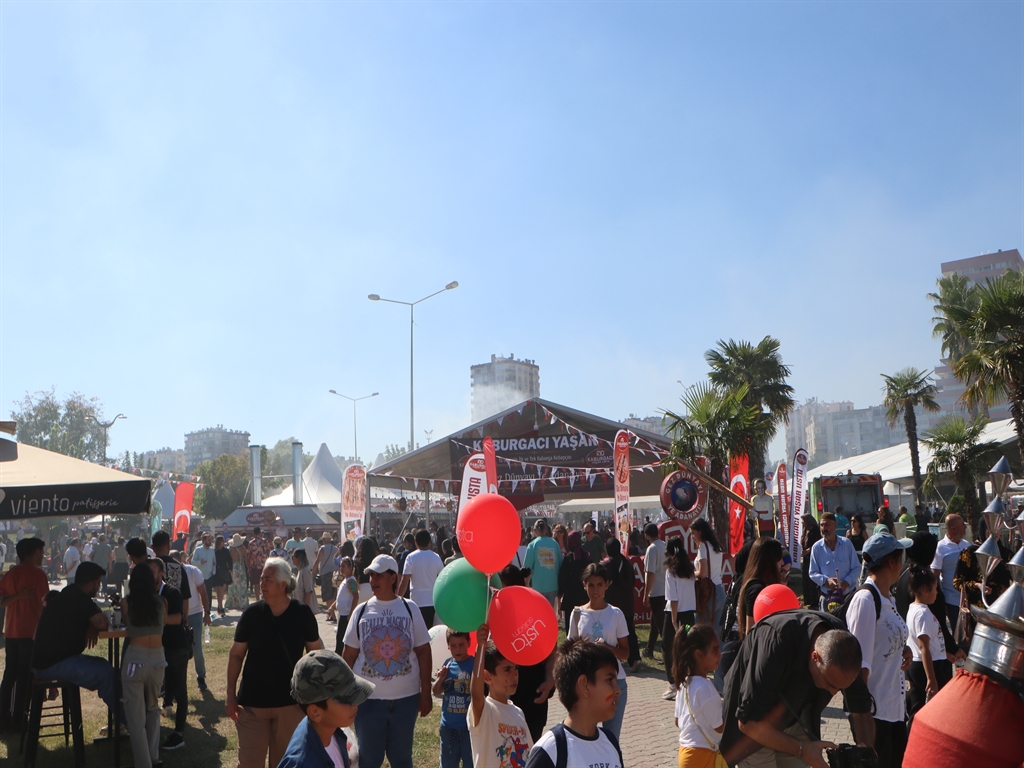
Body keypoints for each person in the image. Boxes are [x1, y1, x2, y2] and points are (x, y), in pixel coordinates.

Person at [720, 612, 872, 768]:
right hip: (756, 722)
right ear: (815, 657)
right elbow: (747, 723)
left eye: (841, 689)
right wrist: (802, 749)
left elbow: (861, 709)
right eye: (829, 683)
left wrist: (865, 754)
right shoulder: (775, 640)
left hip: (793, 713)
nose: (834, 692)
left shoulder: (844, 649)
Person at [226, 556, 323, 768]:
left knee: (285, 764)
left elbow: (316, 655)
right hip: (252, 707)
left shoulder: (301, 613)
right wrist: (230, 694)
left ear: (282, 585)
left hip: (290, 706)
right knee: (249, 764)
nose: (261, 584)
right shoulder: (251, 614)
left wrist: (314, 695)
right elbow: (236, 655)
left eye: (267, 580)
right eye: (261, 579)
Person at [341, 554, 432, 768]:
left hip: (406, 700)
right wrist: (344, 695)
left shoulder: (411, 609)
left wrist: (426, 692)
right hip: (368, 702)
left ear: (393, 578)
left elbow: (424, 651)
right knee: (369, 761)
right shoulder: (361, 611)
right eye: (371, 575)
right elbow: (349, 656)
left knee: (401, 759)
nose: (373, 580)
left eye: (378, 575)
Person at [847, 531, 913, 768]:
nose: (904, 564)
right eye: (901, 557)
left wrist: (903, 650)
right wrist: (862, 722)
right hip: (875, 715)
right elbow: (859, 664)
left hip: (894, 709)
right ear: (892, 562)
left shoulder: (889, 599)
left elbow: (884, 642)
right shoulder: (865, 600)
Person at [31, 562, 118, 720]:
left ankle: (123, 721)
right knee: (106, 674)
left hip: (50, 661)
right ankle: (129, 722)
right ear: (89, 584)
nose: (99, 587)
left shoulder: (70, 592)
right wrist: (93, 624)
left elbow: (92, 620)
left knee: (105, 667)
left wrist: (91, 626)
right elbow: (103, 623)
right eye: (98, 583)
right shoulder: (79, 598)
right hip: (52, 664)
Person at [525, 639, 624, 768]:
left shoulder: (610, 741)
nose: (618, 691)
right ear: (584, 685)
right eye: (609, 680)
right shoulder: (551, 749)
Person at [566, 563, 629, 739]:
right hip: (588, 686)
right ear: (584, 584)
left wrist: (607, 648)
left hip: (615, 683)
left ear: (607, 585)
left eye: (600, 584)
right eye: (591, 585)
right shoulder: (577, 613)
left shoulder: (616, 614)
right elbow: (569, 650)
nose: (595, 590)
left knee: (611, 738)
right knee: (586, 737)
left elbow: (625, 653)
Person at [278, 650, 372, 768]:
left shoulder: (330, 731)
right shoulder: (303, 763)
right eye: (345, 699)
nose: (355, 704)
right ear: (315, 712)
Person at [498, 565, 555, 744]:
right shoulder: (495, 613)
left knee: (530, 748)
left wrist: (549, 680)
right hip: (504, 698)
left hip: (533, 696)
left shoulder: (537, 609)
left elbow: (553, 651)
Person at [119, 561, 167, 768]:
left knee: (135, 718)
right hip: (157, 658)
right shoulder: (161, 602)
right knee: (153, 709)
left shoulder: (126, 603)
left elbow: (126, 625)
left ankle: (144, 763)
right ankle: (154, 756)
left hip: (135, 658)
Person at [0, 537, 48, 734]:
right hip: (30, 632)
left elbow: (2, 601)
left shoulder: (11, 574)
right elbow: (45, 606)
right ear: (35, 552)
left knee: (10, 675)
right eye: (42, 552)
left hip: (11, 632)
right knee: (24, 677)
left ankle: (3, 719)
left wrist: (16, 597)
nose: (43, 555)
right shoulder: (38, 575)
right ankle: (19, 720)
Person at [467, 623, 533, 768]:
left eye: (516, 668)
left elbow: (529, 754)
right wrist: (480, 648)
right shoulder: (485, 710)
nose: (514, 675)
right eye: (507, 669)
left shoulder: (518, 712)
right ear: (487, 677)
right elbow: (476, 695)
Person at [147, 556, 189, 751]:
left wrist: (156, 619)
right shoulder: (146, 593)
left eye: (152, 572)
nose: (148, 576)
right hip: (158, 648)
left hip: (176, 647)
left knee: (179, 688)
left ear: (161, 573)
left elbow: (177, 618)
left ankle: (179, 733)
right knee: (163, 687)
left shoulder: (172, 592)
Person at [904, 566, 953, 720]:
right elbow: (923, 647)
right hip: (927, 667)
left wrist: (945, 654)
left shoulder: (914, 609)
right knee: (927, 709)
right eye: (935, 589)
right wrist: (931, 678)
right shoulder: (922, 614)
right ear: (925, 590)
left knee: (918, 706)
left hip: (923, 663)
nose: (937, 593)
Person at [673, 624, 723, 768]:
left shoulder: (684, 683)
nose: (720, 654)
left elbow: (678, 721)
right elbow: (719, 727)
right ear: (699, 654)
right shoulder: (705, 687)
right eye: (715, 650)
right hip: (701, 755)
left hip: (685, 752)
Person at [432, 629, 474, 768]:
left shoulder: (474, 664)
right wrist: (440, 679)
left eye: (461, 644)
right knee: (448, 763)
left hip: (469, 728)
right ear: (448, 645)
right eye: (453, 645)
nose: (457, 649)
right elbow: (436, 691)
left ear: (469, 642)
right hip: (448, 727)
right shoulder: (448, 664)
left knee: (471, 763)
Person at [663, 536, 697, 701]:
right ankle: (687, 680)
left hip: (674, 614)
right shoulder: (689, 569)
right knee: (687, 646)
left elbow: (673, 599)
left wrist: (674, 621)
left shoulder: (671, 571)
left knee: (668, 646)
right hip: (689, 615)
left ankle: (673, 683)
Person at [602, 537, 641, 672]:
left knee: (611, 632)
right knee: (630, 631)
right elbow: (633, 582)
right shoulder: (627, 563)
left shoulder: (606, 565)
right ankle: (635, 659)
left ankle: (614, 658)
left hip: (613, 605)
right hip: (627, 603)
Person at [808, 512, 860, 611]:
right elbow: (812, 572)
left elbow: (857, 568)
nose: (824, 528)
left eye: (827, 525)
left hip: (848, 597)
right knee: (829, 626)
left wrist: (846, 582)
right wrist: (826, 581)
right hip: (828, 598)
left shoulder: (846, 544)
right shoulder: (817, 548)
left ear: (835, 526)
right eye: (821, 525)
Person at [930, 514, 970, 634]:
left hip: (969, 600)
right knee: (959, 636)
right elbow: (935, 575)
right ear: (953, 528)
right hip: (952, 602)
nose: (965, 527)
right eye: (962, 525)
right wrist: (940, 600)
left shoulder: (967, 545)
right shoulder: (940, 548)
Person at [737, 537, 783, 640]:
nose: (782, 562)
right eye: (779, 558)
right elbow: (750, 631)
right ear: (770, 561)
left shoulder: (754, 583)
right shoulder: (756, 589)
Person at [180, 552, 213, 691]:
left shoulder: (193, 572)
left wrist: (206, 613)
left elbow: (203, 593)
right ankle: (173, 681)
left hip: (194, 613)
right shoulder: (167, 573)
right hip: (176, 615)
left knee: (197, 648)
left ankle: (201, 676)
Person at [398, 529, 445, 627]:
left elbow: (404, 582)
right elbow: (443, 579)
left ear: (415, 542)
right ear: (429, 542)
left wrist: (397, 599)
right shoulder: (436, 557)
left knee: (418, 634)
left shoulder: (410, 557)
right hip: (433, 601)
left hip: (416, 601)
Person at [691, 518, 726, 636]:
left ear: (700, 531)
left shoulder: (703, 547)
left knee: (702, 633)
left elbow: (702, 572)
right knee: (718, 635)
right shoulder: (717, 547)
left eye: (693, 533)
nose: (692, 536)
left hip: (708, 594)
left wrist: (691, 574)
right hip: (720, 591)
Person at [523, 519, 562, 611]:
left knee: (540, 613)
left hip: (538, 586)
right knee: (551, 613)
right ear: (546, 529)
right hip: (553, 585)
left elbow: (527, 568)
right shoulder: (554, 543)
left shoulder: (532, 545)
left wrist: (526, 584)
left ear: (535, 530)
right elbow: (560, 563)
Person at [642, 522, 667, 658]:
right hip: (665, 590)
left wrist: (646, 594)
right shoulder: (664, 545)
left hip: (656, 591)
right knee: (655, 622)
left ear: (646, 536)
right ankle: (649, 648)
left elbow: (650, 573)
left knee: (661, 626)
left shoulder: (652, 549)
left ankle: (667, 654)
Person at [557, 531, 591, 631]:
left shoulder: (569, 558)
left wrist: (560, 592)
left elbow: (563, 577)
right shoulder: (586, 557)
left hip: (570, 597)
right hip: (584, 596)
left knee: (570, 625)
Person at [329, 557, 360, 654]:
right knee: (339, 638)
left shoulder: (351, 581)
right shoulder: (345, 580)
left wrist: (350, 614)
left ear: (350, 568)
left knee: (341, 640)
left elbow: (356, 597)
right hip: (341, 614)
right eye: (340, 566)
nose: (341, 568)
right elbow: (340, 597)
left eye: (344, 566)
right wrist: (332, 607)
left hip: (346, 615)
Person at [210, 535, 233, 616]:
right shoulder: (213, 551)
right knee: (218, 590)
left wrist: (230, 568)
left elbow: (229, 560)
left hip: (223, 571)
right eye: (222, 541)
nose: (224, 542)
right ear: (219, 542)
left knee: (222, 590)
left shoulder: (225, 551)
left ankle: (220, 606)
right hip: (216, 572)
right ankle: (220, 607)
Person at [246, 528, 272, 601]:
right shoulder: (265, 541)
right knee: (265, 583)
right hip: (264, 565)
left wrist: (249, 566)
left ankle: (257, 599)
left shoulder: (251, 543)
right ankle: (265, 598)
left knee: (256, 584)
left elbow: (249, 555)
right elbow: (268, 552)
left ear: (253, 533)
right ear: (260, 532)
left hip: (255, 565)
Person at [226, 533, 250, 611]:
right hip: (241, 566)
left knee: (233, 585)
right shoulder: (243, 548)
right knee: (242, 585)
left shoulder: (231, 549)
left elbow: (229, 560)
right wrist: (249, 568)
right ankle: (242, 603)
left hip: (233, 567)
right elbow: (246, 559)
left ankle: (233, 602)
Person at [293, 549, 319, 614]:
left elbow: (308, 591)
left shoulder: (305, 571)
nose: (292, 559)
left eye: (293, 557)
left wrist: (304, 609)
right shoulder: (300, 571)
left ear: (298, 558)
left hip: (307, 610)